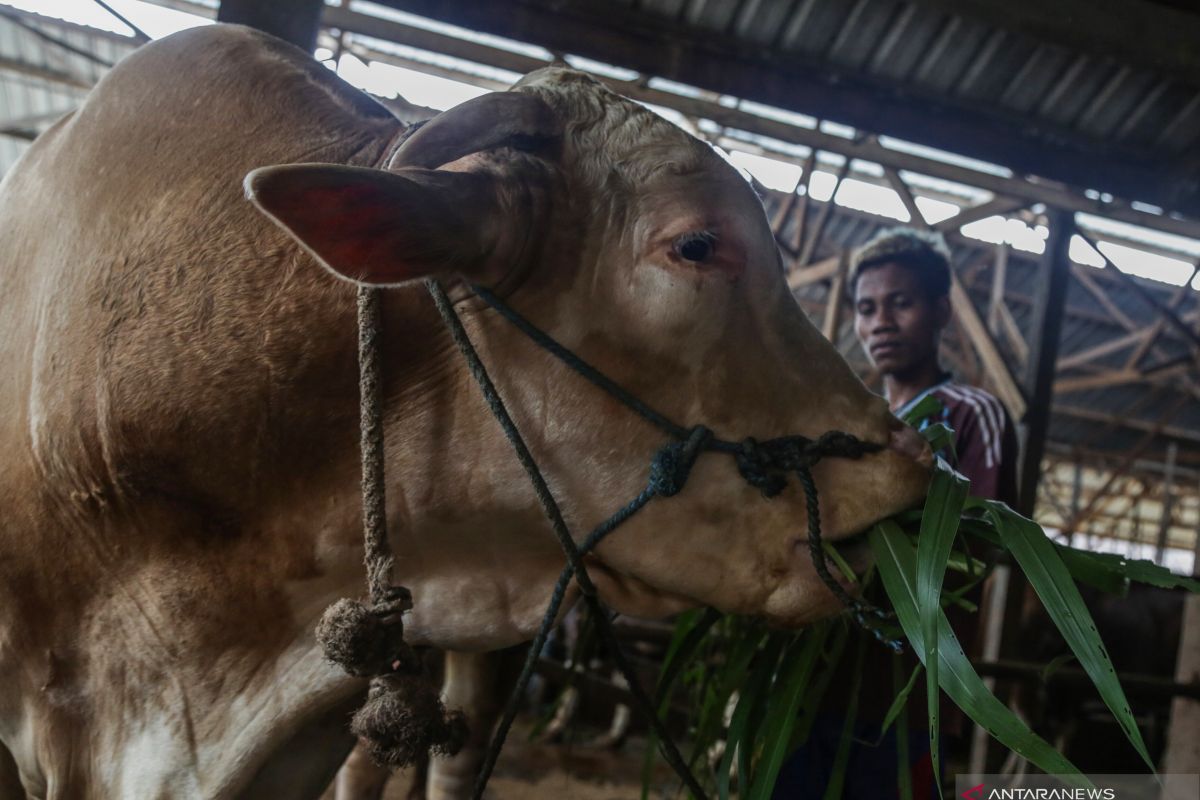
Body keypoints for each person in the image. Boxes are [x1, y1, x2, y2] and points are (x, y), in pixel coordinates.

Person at [772, 228, 1017, 799]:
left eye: (900, 303)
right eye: (866, 308)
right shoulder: (846, 426)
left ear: (941, 311)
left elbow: (985, 543)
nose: (880, 321)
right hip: (807, 686)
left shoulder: (975, 416)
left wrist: (928, 483)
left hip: (906, 700)